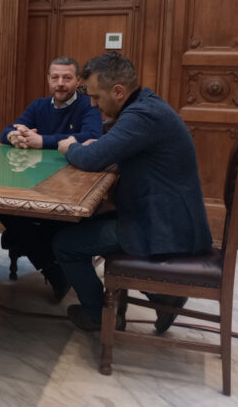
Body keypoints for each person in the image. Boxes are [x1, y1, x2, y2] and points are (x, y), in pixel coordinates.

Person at [55, 52, 212, 332]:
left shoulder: (143, 115)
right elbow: (112, 149)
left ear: (118, 91)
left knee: (65, 244)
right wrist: (95, 148)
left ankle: (99, 316)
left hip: (162, 226)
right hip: (163, 215)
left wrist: (70, 147)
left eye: (96, 96)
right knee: (83, 223)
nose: (93, 104)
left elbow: (92, 159)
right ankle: (163, 298)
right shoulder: (146, 105)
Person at [0, 56, 103, 301]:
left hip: (72, 185)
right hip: (36, 183)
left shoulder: (88, 106)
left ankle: (54, 266)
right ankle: (54, 271)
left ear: (78, 80)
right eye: (55, 77)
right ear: (48, 79)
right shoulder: (39, 105)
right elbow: (8, 130)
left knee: (52, 223)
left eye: (67, 78)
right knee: (6, 210)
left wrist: (42, 141)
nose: (60, 83)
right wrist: (14, 136)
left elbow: (92, 136)